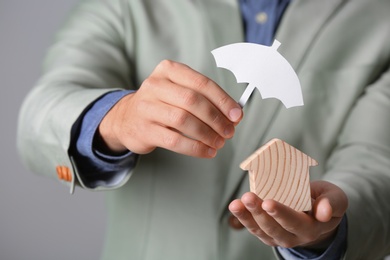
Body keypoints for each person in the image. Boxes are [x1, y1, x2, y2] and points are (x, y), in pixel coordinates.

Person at [17, 0, 390, 259]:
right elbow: (41, 113)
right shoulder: (127, 7)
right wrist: (118, 117)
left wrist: (327, 230)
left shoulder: (379, 18)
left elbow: (377, 163)